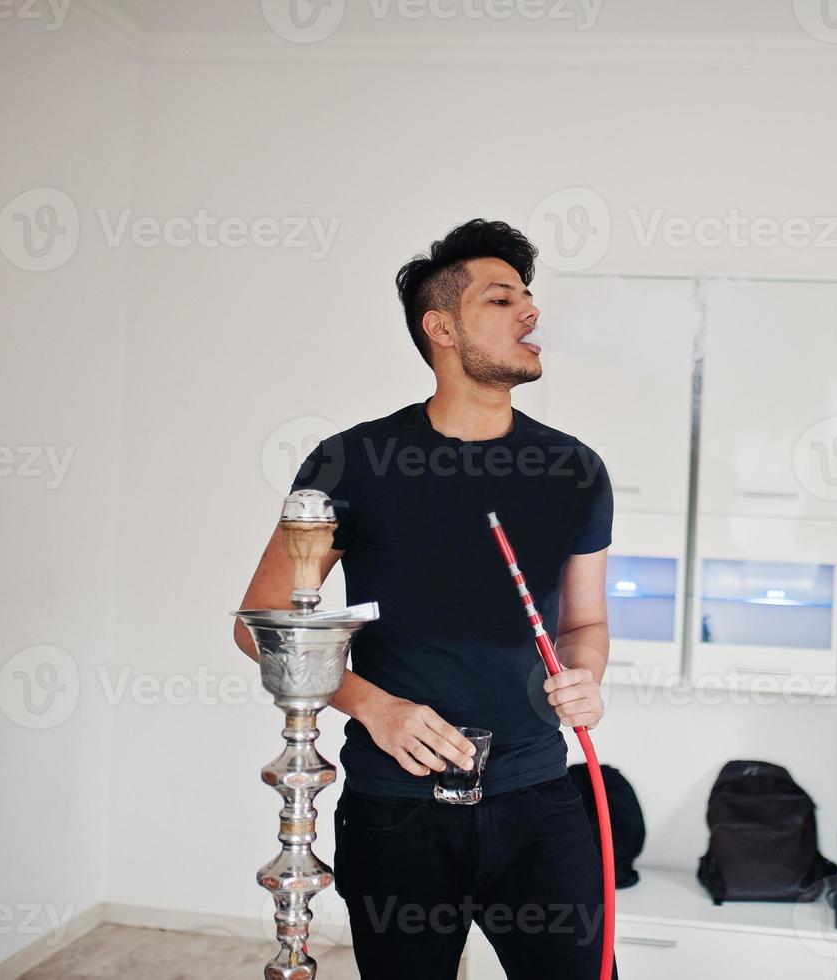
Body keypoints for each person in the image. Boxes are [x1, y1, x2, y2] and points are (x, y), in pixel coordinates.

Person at [234, 219, 616, 979]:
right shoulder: (355, 461)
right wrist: (376, 708)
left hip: (540, 797)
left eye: (529, 300)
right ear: (439, 327)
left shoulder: (574, 469)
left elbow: (584, 620)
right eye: (503, 298)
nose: (530, 314)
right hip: (395, 809)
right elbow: (260, 627)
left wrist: (587, 676)